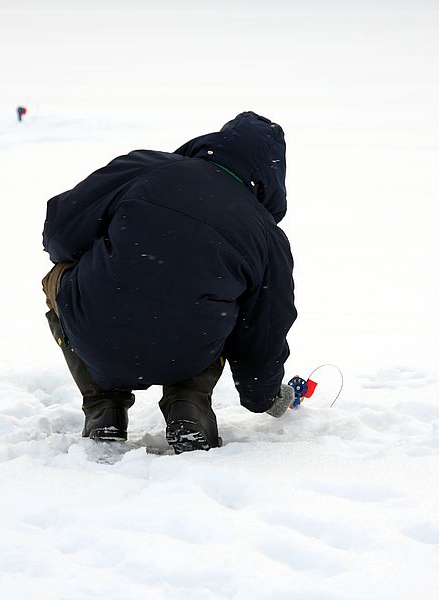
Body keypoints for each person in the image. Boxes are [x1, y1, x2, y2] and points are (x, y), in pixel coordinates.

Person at [41, 111, 297, 453]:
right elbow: (263, 332)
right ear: (271, 175)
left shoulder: (147, 168)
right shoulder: (267, 237)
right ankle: (189, 404)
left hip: (98, 334)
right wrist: (265, 397)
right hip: (188, 352)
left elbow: (60, 233)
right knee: (230, 304)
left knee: (55, 278)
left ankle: (104, 407)